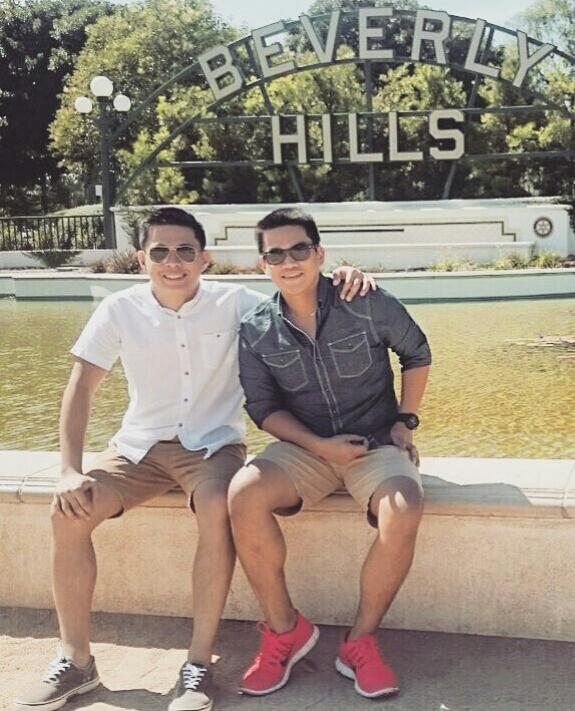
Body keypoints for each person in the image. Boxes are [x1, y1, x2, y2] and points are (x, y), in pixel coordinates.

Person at [14, 207, 374, 711]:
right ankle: (76, 661)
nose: (173, 262)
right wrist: (69, 470)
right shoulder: (118, 310)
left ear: (204, 258)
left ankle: (197, 665)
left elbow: (299, 294)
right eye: (160, 251)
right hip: (138, 448)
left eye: (185, 251)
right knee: (68, 512)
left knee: (216, 507)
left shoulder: (238, 304)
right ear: (142, 260)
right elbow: (81, 389)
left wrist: (345, 276)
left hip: (212, 447)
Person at [228, 207, 431, 699]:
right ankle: (285, 631)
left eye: (299, 249)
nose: (289, 261)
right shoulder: (256, 329)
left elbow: (417, 352)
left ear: (319, 253)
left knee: (404, 507)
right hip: (307, 447)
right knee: (243, 495)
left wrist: (405, 421)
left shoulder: (364, 300)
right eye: (276, 254)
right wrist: (319, 447)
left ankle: (359, 643)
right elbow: (263, 409)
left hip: (374, 443)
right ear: (262, 264)